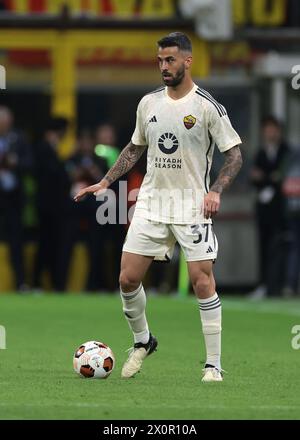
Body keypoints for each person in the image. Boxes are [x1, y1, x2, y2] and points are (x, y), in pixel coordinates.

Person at [74, 32, 242, 382]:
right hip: (151, 204)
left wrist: (216, 191)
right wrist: (106, 182)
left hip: (191, 205)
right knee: (127, 278)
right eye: (160, 60)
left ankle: (213, 364)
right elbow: (135, 148)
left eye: (170, 60)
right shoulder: (148, 103)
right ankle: (143, 340)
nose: (164, 67)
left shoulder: (207, 106)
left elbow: (234, 154)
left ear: (187, 61)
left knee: (201, 281)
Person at [249, 116, 290, 299]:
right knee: (264, 247)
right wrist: (270, 178)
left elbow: (283, 178)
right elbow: (255, 177)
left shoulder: (286, 152)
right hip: (264, 210)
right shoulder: (260, 153)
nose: (269, 133)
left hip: (282, 210)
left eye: (272, 129)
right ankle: (265, 284)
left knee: (283, 247)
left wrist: (266, 177)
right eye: (266, 129)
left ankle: (283, 284)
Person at [0, 106, 33, 291]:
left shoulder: (18, 138)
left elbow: (30, 163)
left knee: (16, 242)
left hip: (13, 198)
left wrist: (16, 162)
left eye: (5, 123)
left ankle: (21, 282)